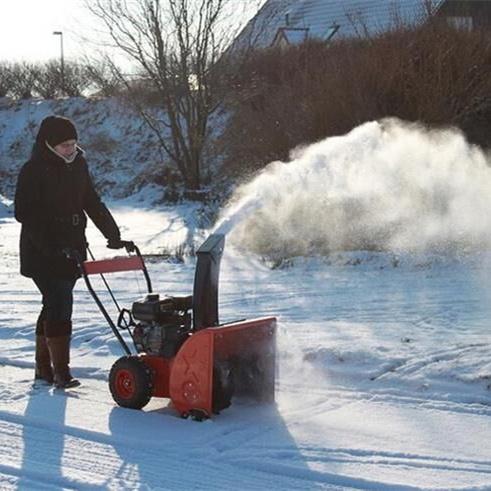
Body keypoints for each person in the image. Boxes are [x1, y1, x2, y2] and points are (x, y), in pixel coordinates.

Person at [14, 115, 123, 389]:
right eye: (64, 145)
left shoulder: (79, 166)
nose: (71, 149)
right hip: (42, 251)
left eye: (74, 143)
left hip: (73, 246)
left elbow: (91, 201)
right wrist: (53, 247)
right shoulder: (33, 170)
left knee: (53, 303)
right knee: (60, 302)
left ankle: (43, 367)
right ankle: (61, 371)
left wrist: (112, 233)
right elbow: (25, 214)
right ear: (49, 144)